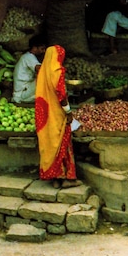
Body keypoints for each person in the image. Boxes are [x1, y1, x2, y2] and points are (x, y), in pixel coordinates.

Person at [35, 45, 80, 189]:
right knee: (63, 143)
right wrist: (68, 112)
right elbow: (61, 95)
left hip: (44, 114)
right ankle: (68, 179)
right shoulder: (57, 72)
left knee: (50, 143)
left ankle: (55, 178)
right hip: (56, 114)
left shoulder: (43, 71)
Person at [12, 34, 46, 104]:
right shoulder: (28, 57)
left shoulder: (28, 56)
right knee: (45, 81)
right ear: (35, 48)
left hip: (25, 88)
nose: (44, 51)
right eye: (42, 49)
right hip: (22, 93)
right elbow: (40, 69)